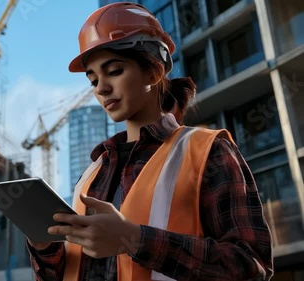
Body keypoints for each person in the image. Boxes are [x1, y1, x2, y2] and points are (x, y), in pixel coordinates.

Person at [27, 2, 273, 281]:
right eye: (93, 80)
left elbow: (250, 268)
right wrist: (45, 249)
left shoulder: (207, 150)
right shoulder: (92, 173)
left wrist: (134, 239)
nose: (101, 88)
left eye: (114, 71)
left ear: (154, 71)